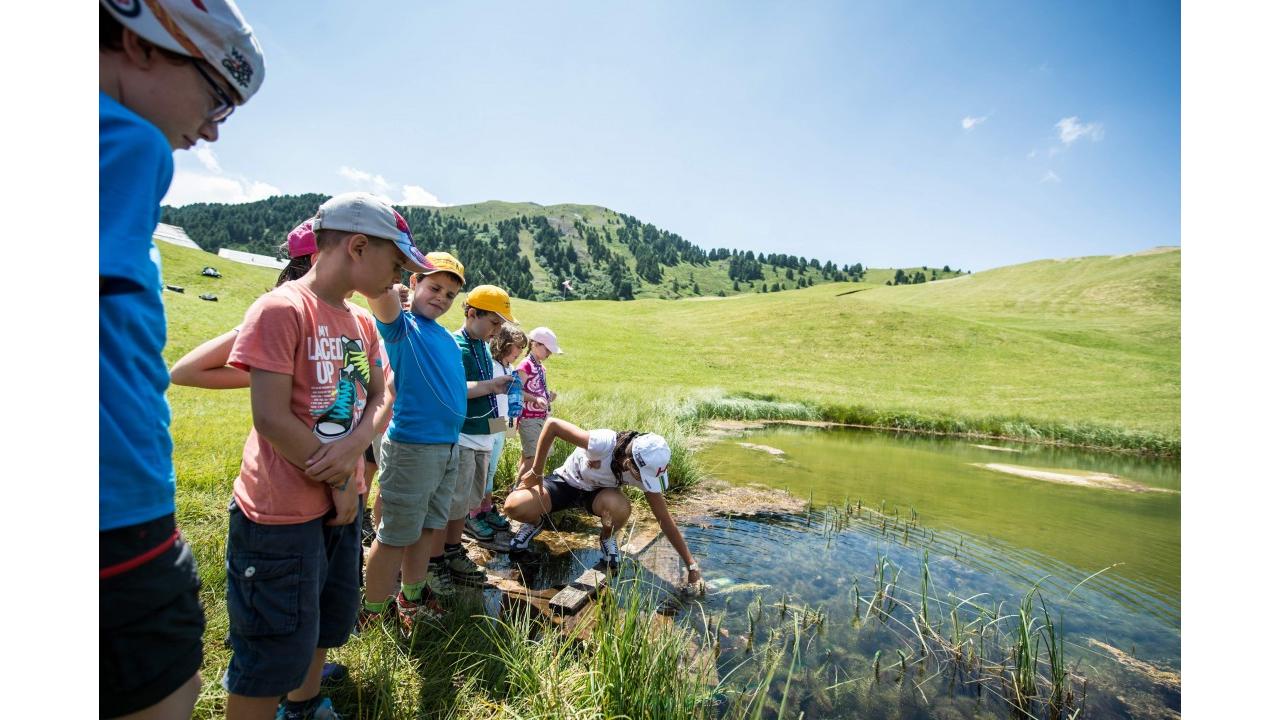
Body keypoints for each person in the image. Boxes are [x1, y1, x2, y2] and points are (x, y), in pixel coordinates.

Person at [99, 1, 264, 718]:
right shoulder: (125, 142)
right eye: (219, 91)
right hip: (116, 506)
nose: (215, 126)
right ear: (140, 42)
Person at [222, 192, 428, 720]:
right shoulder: (282, 308)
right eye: (397, 263)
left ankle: (305, 703)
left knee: (322, 619)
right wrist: (338, 479)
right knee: (270, 645)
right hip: (280, 512)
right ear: (358, 247)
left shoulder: (359, 324)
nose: (399, 278)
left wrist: (357, 449)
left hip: (342, 504)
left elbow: (381, 392)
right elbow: (270, 416)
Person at [361, 252, 476, 627]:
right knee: (394, 535)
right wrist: (393, 286)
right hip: (413, 448)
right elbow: (378, 293)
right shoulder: (402, 326)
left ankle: (410, 598)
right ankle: (374, 613)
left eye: (449, 294)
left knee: (427, 529)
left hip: (446, 449)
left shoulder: (443, 336)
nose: (441, 298)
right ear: (414, 284)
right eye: (434, 287)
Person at [505, 419, 703, 589]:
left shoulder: (644, 471)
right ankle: (534, 522)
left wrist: (691, 565)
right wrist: (537, 472)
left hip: (597, 496)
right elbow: (552, 425)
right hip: (565, 483)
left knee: (620, 508)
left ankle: (607, 538)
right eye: (642, 476)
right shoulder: (602, 443)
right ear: (629, 462)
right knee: (514, 506)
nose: (644, 481)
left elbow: (664, 520)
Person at [169, 218, 316, 389]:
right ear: (317, 260)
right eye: (354, 250)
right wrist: (282, 374)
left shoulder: (348, 314)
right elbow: (184, 372)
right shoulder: (285, 314)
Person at [452, 289, 520, 555]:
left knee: (478, 485)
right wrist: (492, 386)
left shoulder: (481, 346)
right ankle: (453, 545)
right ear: (472, 313)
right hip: (465, 433)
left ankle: (475, 519)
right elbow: (454, 389)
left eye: (501, 324)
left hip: (485, 433)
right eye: (494, 322)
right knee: (459, 497)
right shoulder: (457, 345)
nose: (497, 330)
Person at [465, 324, 528, 540]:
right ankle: (472, 513)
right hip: (489, 423)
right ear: (503, 344)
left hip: (502, 423)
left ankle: (486, 508)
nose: (519, 352)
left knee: (491, 469)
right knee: (482, 469)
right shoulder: (491, 366)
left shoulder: (508, 367)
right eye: (517, 347)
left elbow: (509, 399)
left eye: (521, 348)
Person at [514, 326, 563, 483]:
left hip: (541, 417)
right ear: (535, 344)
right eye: (547, 349)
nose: (549, 354)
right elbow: (516, 391)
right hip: (528, 418)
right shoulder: (525, 365)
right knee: (532, 458)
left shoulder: (541, 367)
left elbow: (535, 390)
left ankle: (519, 487)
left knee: (528, 455)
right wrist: (535, 400)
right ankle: (518, 491)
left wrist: (547, 397)